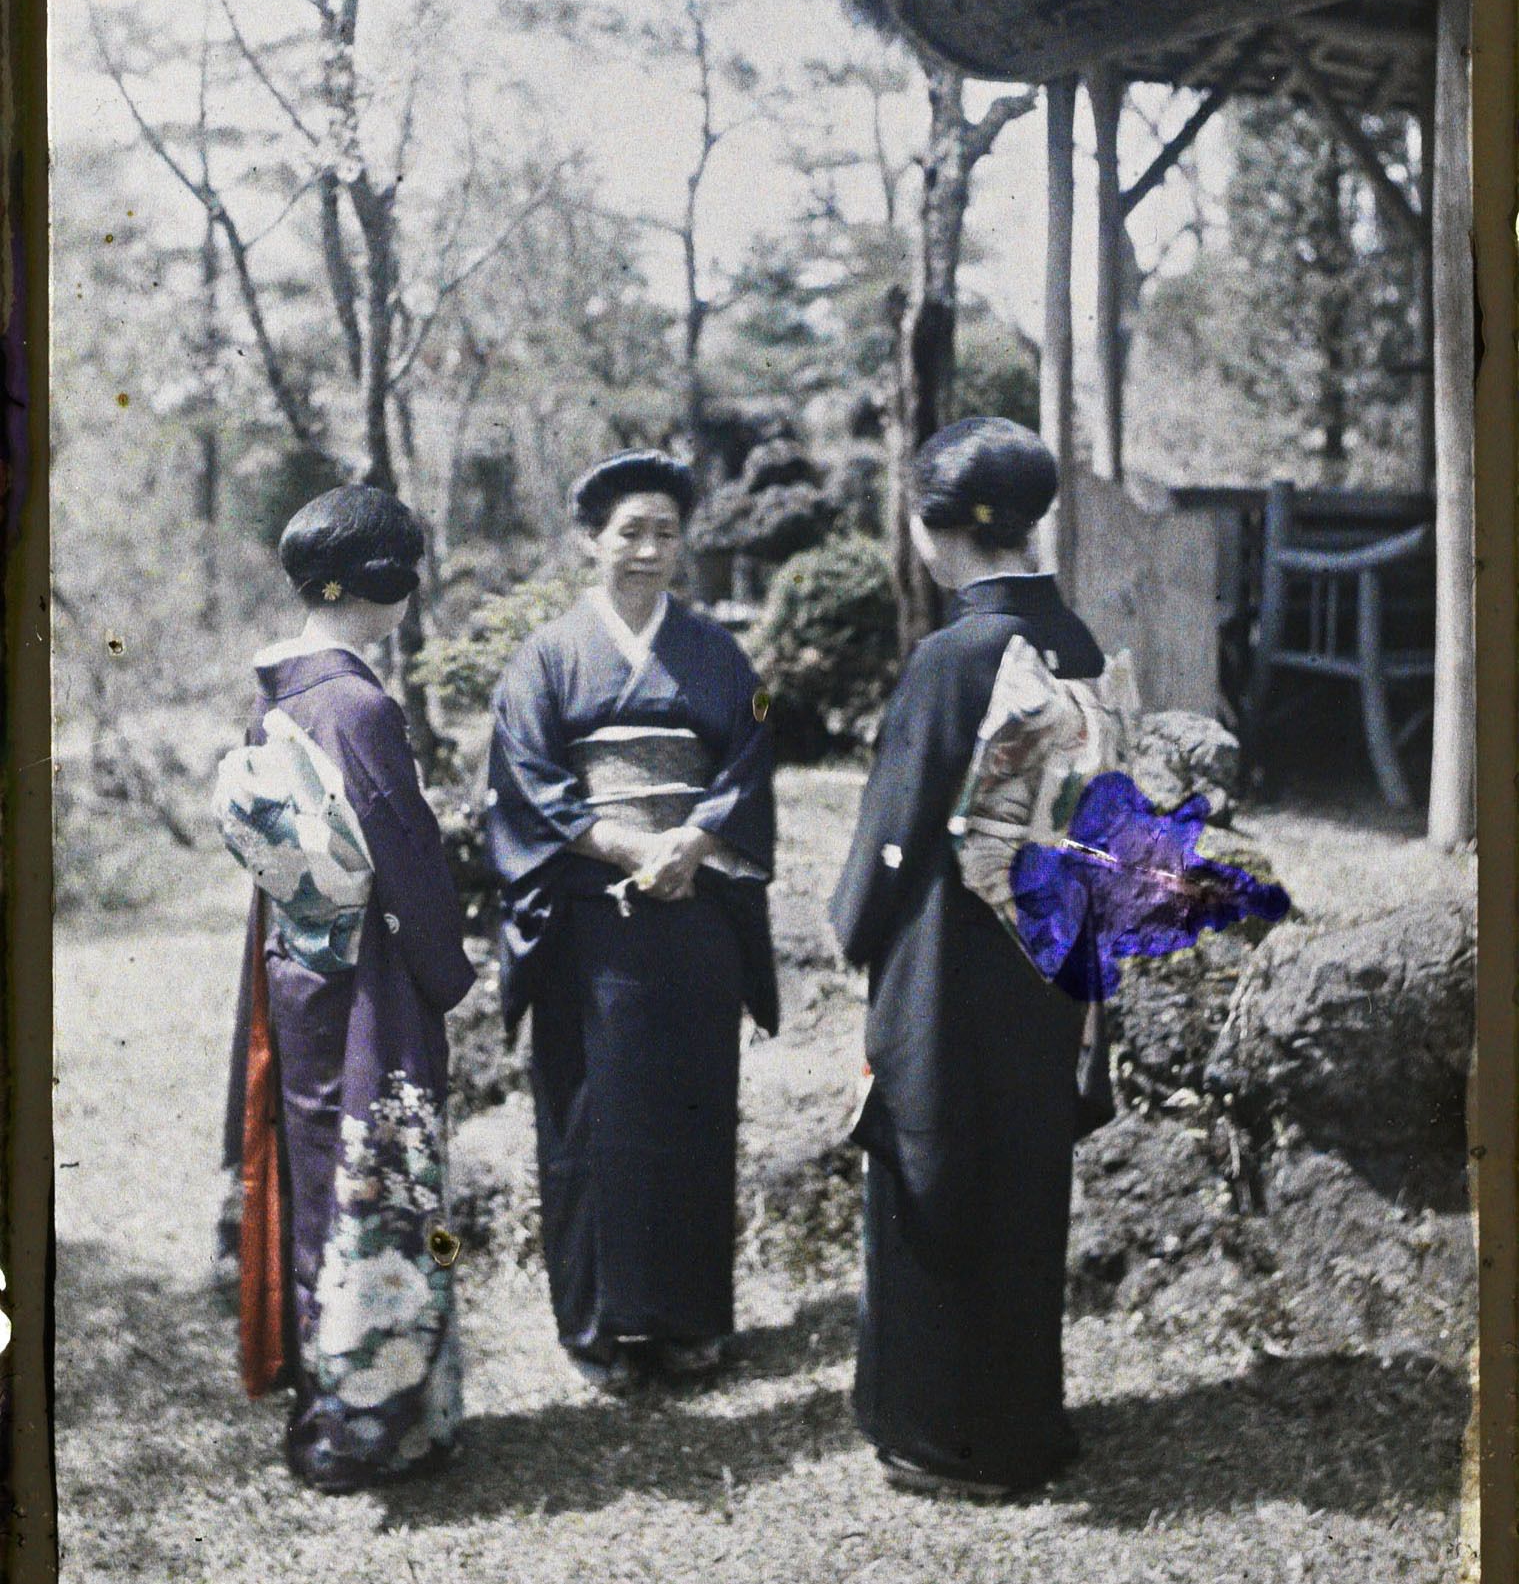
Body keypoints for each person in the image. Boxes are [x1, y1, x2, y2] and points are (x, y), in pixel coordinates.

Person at [830, 417, 1114, 1500]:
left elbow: (897, 826)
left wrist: (853, 922)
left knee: (935, 1168)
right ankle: (1021, 1418)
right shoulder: (1074, 643)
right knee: (1024, 1176)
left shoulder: (953, 655)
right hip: (1050, 948)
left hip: (947, 956)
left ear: (926, 527)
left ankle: (942, 1432)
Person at [484, 450, 777, 1391]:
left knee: (692, 1112)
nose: (648, 550)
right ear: (591, 541)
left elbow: (749, 756)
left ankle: (692, 1325)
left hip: (691, 911)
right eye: (629, 531)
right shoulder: (545, 656)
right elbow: (525, 781)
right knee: (593, 1119)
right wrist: (619, 844)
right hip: (590, 917)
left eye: (664, 534)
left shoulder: (722, 654)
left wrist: (691, 842)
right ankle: (601, 1329)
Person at [219, 485, 476, 1492]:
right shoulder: (359, 702)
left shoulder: (282, 690)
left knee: (325, 1165)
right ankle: (383, 1417)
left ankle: (335, 1400)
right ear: (388, 583)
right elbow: (406, 856)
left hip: (299, 964)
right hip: (370, 971)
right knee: (383, 1173)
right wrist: (447, 969)